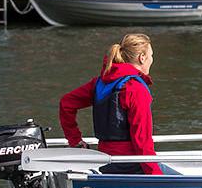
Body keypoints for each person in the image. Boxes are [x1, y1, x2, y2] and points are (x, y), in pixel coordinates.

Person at [59, 33, 161, 175]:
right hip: (131, 164)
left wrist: (74, 139)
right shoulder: (136, 89)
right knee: (180, 184)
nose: (152, 59)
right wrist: (156, 176)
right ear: (142, 58)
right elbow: (142, 141)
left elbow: (66, 103)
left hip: (106, 161)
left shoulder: (99, 83)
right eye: (151, 55)